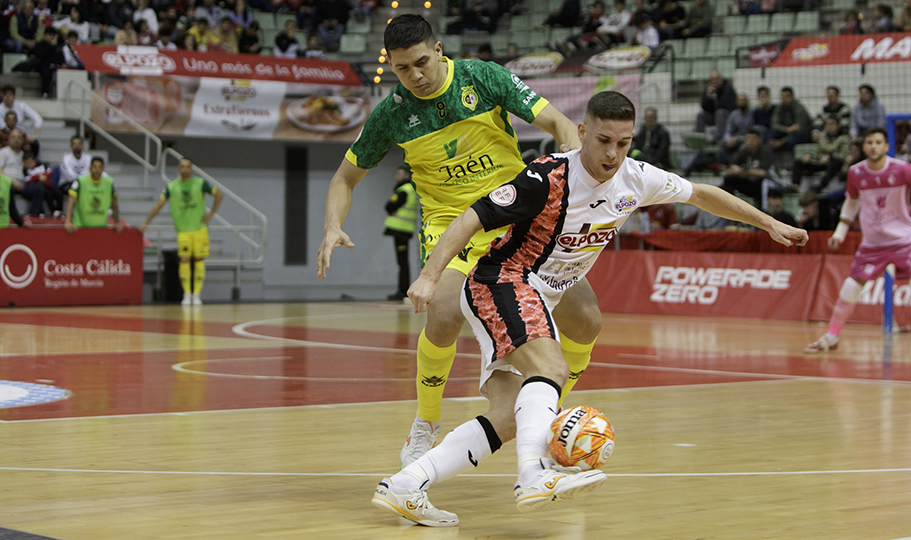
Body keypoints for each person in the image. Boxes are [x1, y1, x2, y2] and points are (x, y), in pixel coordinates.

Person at [373, 91, 808, 526]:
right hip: (503, 281)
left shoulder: (637, 178)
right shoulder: (548, 178)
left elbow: (702, 195)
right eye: (603, 141)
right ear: (581, 133)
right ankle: (534, 474)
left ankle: (407, 484)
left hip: (542, 293)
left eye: (623, 143)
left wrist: (769, 223)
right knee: (552, 369)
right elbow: (471, 217)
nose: (613, 153)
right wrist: (430, 276)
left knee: (508, 418)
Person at [317, 15, 598, 471]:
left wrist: (571, 183)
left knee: (586, 319)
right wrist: (332, 225)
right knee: (443, 314)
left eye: (422, 63)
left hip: (514, 218)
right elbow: (344, 178)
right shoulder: (392, 113)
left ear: (440, 50)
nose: (416, 76)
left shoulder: (482, 78)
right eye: (403, 69)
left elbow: (560, 123)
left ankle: (547, 407)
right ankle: (425, 424)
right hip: (452, 226)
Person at [805, 128, 911, 359]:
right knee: (850, 288)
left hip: (906, 239)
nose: (873, 146)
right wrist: (840, 231)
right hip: (872, 243)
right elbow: (851, 202)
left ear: (886, 146)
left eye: (878, 142)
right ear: (864, 146)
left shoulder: (902, 169)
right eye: (869, 142)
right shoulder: (856, 173)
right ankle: (831, 337)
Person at [138, 158, 223, 306]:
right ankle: (187, 294)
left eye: (188, 166)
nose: (185, 169)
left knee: (199, 260)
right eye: (182, 166)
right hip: (183, 230)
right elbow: (159, 204)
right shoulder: (172, 186)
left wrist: (212, 214)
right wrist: (146, 221)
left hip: (200, 229)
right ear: (178, 168)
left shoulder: (200, 183)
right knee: (184, 260)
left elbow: (218, 194)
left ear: (191, 168)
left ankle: (197, 294)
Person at [384, 166, 417, 301]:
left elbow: (389, 206)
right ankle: (403, 289)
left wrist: (391, 209)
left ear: (407, 176)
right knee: (403, 261)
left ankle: (403, 290)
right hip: (404, 229)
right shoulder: (408, 189)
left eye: (400, 173)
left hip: (401, 229)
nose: (397, 176)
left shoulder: (404, 190)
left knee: (402, 262)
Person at [792, 114, 850, 191]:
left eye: (832, 124)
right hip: (821, 162)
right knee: (799, 161)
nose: (829, 126)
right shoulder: (822, 137)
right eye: (827, 124)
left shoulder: (845, 138)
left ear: (838, 125)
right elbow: (818, 152)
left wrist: (830, 157)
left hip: (835, 163)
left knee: (835, 163)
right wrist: (810, 156)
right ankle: (795, 186)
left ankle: (821, 186)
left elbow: (844, 155)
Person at [64, 157, 122, 233]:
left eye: (99, 167)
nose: (97, 170)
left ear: (103, 169)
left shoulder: (109, 183)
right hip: (80, 227)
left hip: (101, 228)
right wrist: (68, 221)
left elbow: (114, 205)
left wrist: (116, 222)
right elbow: (70, 202)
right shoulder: (81, 181)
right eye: (94, 167)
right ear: (90, 168)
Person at [721, 128, 775, 207]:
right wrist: (734, 169)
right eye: (748, 138)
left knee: (762, 183)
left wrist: (743, 171)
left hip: (766, 183)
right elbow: (730, 168)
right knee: (728, 180)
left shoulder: (765, 151)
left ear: (759, 140)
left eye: (753, 139)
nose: (751, 141)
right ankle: (730, 207)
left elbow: (763, 173)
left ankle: (762, 210)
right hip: (749, 182)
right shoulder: (743, 151)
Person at [695, 70, 736, 144]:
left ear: (721, 79)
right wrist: (708, 97)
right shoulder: (708, 89)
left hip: (727, 116)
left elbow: (726, 105)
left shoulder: (728, 88)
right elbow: (704, 107)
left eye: (716, 79)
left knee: (720, 112)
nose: (714, 81)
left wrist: (716, 96)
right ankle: (698, 137)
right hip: (714, 116)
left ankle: (718, 139)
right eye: (712, 79)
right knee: (701, 115)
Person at [0, 86, 43, 156]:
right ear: (2, 96)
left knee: (35, 144)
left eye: (10, 94)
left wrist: (36, 135)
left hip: (21, 136)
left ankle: (31, 163)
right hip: (6, 137)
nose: (7, 97)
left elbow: (37, 118)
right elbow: (3, 127)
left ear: (14, 96)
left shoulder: (21, 106)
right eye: (5, 95)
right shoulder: (0, 109)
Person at [769, 86, 812, 152]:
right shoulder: (780, 108)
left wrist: (782, 141)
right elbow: (774, 123)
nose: (784, 99)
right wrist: (786, 129)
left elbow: (799, 130)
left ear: (792, 97)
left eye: (786, 96)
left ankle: (790, 161)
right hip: (787, 131)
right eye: (782, 96)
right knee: (771, 136)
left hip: (803, 134)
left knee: (791, 142)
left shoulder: (799, 109)